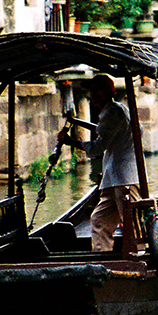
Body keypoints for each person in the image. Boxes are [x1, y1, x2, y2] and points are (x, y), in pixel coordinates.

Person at [58, 74, 139, 252]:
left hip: (124, 179)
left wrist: (71, 142)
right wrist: (83, 124)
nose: (93, 95)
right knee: (100, 220)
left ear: (110, 92)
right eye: (92, 91)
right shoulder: (116, 111)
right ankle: (102, 258)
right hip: (114, 178)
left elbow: (98, 147)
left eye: (98, 91)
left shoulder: (112, 114)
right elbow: (105, 133)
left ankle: (141, 256)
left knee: (133, 223)